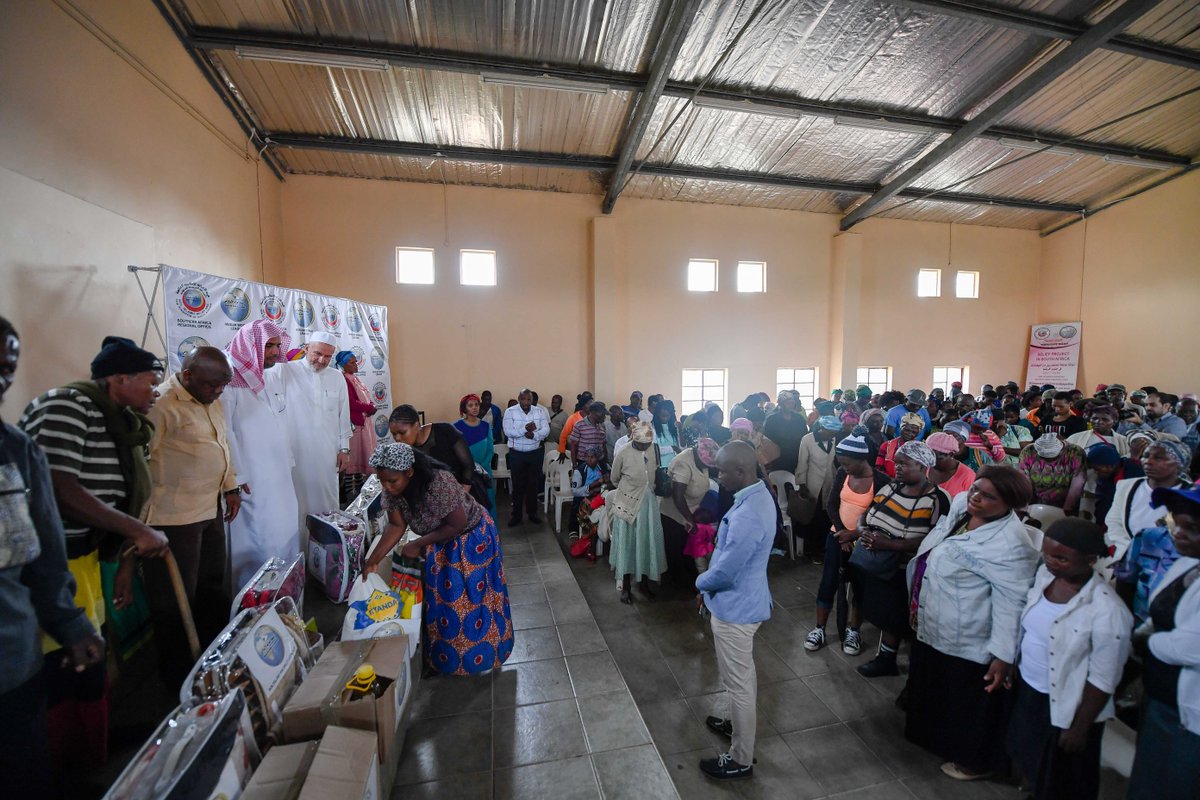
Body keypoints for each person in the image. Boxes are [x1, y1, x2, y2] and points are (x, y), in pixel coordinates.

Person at [19, 335, 169, 776]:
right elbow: (60, 490)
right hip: (51, 559)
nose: (155, 391)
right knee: (63, 656)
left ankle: (94, 741)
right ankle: (61, 760)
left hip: (89, 554)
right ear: (119, 378)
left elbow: (125, 497)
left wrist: (125, 560)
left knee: (93, 648)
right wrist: (138, 532)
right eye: (149, 381)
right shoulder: (66, 406)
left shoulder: (126, 422)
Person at [0, 316, 105, 797]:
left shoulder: (17, 451)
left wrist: (69, 623)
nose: (1, 383)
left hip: (13, 659)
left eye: (7, 370)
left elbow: (43, 554)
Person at [905, 466, 1040, 780]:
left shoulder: (1010, 545)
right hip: (935, 619)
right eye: (977, 488)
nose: (976, 497)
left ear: (1009, 504)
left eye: (989, 496)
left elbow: (1012, 604)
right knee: (936, 684)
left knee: (966, 698)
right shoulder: (964, 504)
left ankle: (974, 761)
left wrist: (1004, 655)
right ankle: (934, 740)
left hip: (968, 632)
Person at [1006, 519, 1131, 800]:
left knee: (1066, 778)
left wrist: (1079, 727)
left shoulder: (1107, 612)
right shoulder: (1045, 579)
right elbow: (1030, 633)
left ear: (1089, 560)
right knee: (1034, 760)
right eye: (1047, 554)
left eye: (1061, 558)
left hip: (1070, 706)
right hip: (1033, 691)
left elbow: (1103, 678)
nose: (1050, 562)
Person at [362, 442, 513, 675]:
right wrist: (373, 559)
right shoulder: (393, 489)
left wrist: (418, 543)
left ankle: (484, 657)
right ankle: (449, 659)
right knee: (445, 601)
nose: (388, 487)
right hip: (440, 541)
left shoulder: (438, 482)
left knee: (473, 600)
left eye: (392, 481)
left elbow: (457, 524)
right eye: (383, 481)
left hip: (472, 540)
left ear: (409, 472)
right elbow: (396, 524)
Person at [143, 347, 239, 684]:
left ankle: (214, 658)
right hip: (173, 518)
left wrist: (230, 487)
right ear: (187, 377)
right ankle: (179, 676)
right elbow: (141, 464)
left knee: (212, 586)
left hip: (209, 508)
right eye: (212, 385)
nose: (218, 392)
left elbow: (221, 445)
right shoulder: (161, 405)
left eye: (222, 386)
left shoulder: (211, 401)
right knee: (175, 599)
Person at [695, 441, 775, 781]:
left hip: (736, 609)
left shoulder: (747, 515)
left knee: (739, 684)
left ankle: (740, 758)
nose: (718, 476)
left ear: (741, 472)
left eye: (722, 471)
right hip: (744, 599)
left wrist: (700, 582)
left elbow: (726, 572)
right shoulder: (757, 497)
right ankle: (735, 726)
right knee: (743, 677)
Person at [1126, 484, 1200, 799]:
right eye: (1177, 523)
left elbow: (1191, 647)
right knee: (1149, 780)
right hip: (1162, 698)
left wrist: (1149, 642)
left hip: (1190, 715)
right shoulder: (1187, 562)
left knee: (1176, 785)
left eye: (1192, 529)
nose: (1179, 533)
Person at [853, 441, 950, 678]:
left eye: (903, 464)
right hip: (877, 563)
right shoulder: (891, 487)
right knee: (886, 615)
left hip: (907, 570)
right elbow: (867, 513)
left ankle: (906, 669)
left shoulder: (937, 499)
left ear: (922, 465)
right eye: (896, 462)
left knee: (902, 618)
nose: (896, 467)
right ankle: (886, 658)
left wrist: (889, 544)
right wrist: (862, 529)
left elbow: (934, 539)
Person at [221, 320, 301, 586]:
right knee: (258, 542)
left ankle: (285, 597)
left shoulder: (263, 376)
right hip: (250, 481)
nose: (276, 352)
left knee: (285, 532)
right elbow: (225, 432)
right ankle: (255, 608)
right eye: (269, 346)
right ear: (250, 345)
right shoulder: (228, 381)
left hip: (278, 476)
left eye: (278, 345)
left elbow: (276, 422)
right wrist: (235, 477)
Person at [804, 436, 889, 656]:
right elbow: (832, 505)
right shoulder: (843, 474)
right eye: (841, 463)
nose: (843, 467)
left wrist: (854, 536)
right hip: (837, 538)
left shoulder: (882, 481)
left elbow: (878, 516)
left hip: (863, 542)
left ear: (862, 459)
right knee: (828, 582)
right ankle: (819, 628)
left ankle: (853, 630)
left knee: (860, 587)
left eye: (846, 463)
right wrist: (842, 533)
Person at [1109, 440, 1194, 622]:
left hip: (1171, 571)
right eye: (1146, 455)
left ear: (1179, 464)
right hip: (1127, 561)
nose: (1149, 461)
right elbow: (1114, 523)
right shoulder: (1127, 487)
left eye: (1159, 458)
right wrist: (1130, 551)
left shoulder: (1189, 497)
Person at [273, 332, 351, 524]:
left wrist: (344, 449)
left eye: (328, 356)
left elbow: (343, 415)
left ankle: (326, 549)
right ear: (306, 348)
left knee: (327, 500)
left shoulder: (337, 377)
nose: (322, 360)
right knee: (296, 503)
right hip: (295, 452)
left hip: (327, 453)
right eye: (317, 353)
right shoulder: (285, 371)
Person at [608, 420, 667, 604]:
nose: (645, 447)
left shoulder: (653, 448)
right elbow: (614, 478)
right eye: (641, 444)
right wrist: (632, 489)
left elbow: (655, 471)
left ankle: (643, 584)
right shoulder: (624, 452)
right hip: (628, 502)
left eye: (647, 444)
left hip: (648, 503)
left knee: (645, 543)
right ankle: (626, 587)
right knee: (627, 545)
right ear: (633, 439)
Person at [388, 404, 480, 504]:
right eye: (394, 434)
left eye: (402, 432)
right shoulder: (405, 450)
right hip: (436, 503)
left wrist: (460, 499)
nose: (397, 438)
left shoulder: (445, 431)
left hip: (464, 493)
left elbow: (468, 466)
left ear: (416, 425)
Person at [660, 438, 719, 586]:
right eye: (707, 465)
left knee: (691, 553)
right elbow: (678, 497)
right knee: (677, 552)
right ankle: (678, 587)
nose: (708, 467)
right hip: (675, 514)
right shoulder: (683, 463)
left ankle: (691, 581)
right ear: (699, 457)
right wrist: (690, 519)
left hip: (692, 512)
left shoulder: (701, 459)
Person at [794, 415, 841, 559]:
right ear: (822, 429)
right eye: (831, 432)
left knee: (825, 517)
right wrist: (802, 485)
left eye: (834, 433)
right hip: (812, 484)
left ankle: (822, 548)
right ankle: (811, 550)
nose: (833, 436)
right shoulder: (807, 439)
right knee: (812, 517)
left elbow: (831, 463)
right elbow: (802, 463)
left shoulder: (832, 439)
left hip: (828, 483)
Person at [335, 351, 378, 503]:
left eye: (355, 361)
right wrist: (368, 407)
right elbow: (351, 403)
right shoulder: (343, 379)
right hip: (354, 426)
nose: (355, 365)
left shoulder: (354, 378)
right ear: (342, 365)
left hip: (363, 423)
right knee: (352, 461)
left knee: (361, 458)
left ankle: (361, 495)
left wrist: (371, 405)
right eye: (351, 362)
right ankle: (349, 499)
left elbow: (365, 397)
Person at [502, 389, 549, 527]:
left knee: (533, 485)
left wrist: (534, 435)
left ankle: (532, 513)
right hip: (517, 454)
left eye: (529, 400)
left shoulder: (539, 411)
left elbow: (546, 430)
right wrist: (524, 429)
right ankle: (516, 515)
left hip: (535, 453)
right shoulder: (510, 411)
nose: (526, 403)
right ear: (519, 399)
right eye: (523, 399)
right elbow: (508, 432)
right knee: (518, 486)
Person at [1018, 433, 1086, 511]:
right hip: (1035, 502)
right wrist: (1025, 507)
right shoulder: (1028, 451)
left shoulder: (1075, 452)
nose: (1047, 461)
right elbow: (1023, 481)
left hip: (1066, 501)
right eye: (1043, 457)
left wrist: (1067, 509)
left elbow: (1077, 483)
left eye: (1052, 458)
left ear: (1061, 451)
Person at [453, 394, 496, 517]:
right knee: (468, 504)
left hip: (484, 470)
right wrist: (469, 468)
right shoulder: (456, 427)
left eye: (476, 405)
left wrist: (481, 467)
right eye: (470, 405)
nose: (474, 408)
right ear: (464, 409)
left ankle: (489, 532)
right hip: (465, 472)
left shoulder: (485, 426)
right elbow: (453, 451)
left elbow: (490, 449)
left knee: (487, 502)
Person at [762, 389, 809, 474]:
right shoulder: (772, 420)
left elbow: (804, 437)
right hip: (778, 458)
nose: (790, 405)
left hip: (796, 456)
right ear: (781, 404)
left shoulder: (799, 419)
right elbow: (767, 440)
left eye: (792, 403)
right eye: (788, 403)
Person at [926, 432, 976, 497]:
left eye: (933, 456)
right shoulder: (924, 466)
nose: (927, 459)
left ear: (950, 455)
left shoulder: (967, 476)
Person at [876, 413, 924, 477]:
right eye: (907, 430)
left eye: (914, 432)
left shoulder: (920, 449)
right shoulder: (886, 445)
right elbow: (878, 468)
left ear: (918, 433)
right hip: (887, 482)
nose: (910, 434)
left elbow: (921, 472)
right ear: (901, 428)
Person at [557, 391, 593, 458]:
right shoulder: (572, 418)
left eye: (592, 403)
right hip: (576, 453)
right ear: (583, 406)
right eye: (589, 403)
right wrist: (562, 451)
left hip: (591, 453)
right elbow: (563, 435)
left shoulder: (593, 418)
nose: (591, 406)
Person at [651, 398, 681, 467]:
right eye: (663, 416)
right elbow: (654, 450)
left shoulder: (674, 427)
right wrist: (673, 448)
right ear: (658, 414)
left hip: (675, 465)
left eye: (668, 416)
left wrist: (680, 430)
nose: (665, 418)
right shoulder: (652, 428)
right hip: (661, 467)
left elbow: (681, 447)